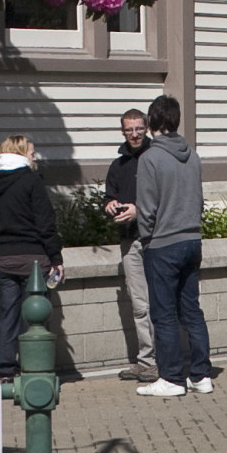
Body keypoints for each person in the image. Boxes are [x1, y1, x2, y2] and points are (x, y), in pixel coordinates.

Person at [134, 92, 212, 397]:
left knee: (164, 313)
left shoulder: (150, 157)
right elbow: (199, 200)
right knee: (191, 309)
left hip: (163, 243)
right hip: (192, 239)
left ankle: (171, 378)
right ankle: (201, 374)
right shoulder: (192, 154)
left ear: (152, 121)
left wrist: (146, 238)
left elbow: (147, 208)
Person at [0, 132, 64, 382]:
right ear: (20, 153)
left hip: (6, 258)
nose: (34, 156)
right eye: (31, 152)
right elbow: (45, 222)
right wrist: (56, 257)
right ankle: (35, 365)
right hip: (35, 259)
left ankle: (6, 368)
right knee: (36, 315)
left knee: (8, 314)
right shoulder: (31, 181)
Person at [102, 104, 153, 381]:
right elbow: (108, 195)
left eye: (138, 129)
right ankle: (145, 360)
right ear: (122, 132)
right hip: (130, 240)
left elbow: (165, 198)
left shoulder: (156, 158)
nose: (134, 134)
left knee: (158, 303)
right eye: (129, 130)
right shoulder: (117, 165)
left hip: (156, 238)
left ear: (146, 129)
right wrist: (110, 204)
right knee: (139, 304)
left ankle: (160, 359)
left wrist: (139, 210)